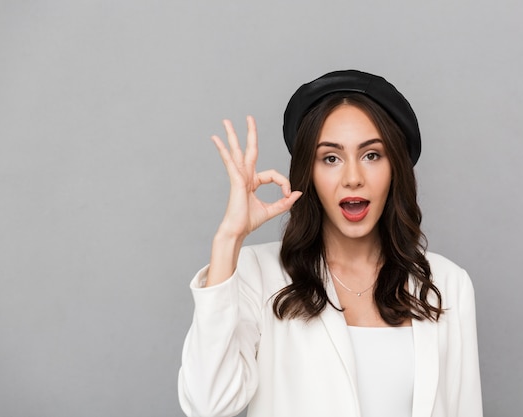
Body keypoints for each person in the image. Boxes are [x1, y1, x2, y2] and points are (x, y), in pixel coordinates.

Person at [178, 70, 483, 417]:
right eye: (331, 158)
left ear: (395, 168)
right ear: (309, 172)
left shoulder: (448, 284)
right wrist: (228, 239)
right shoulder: (257, 275)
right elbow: (207, 403)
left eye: (372, 155)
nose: (353, 178)